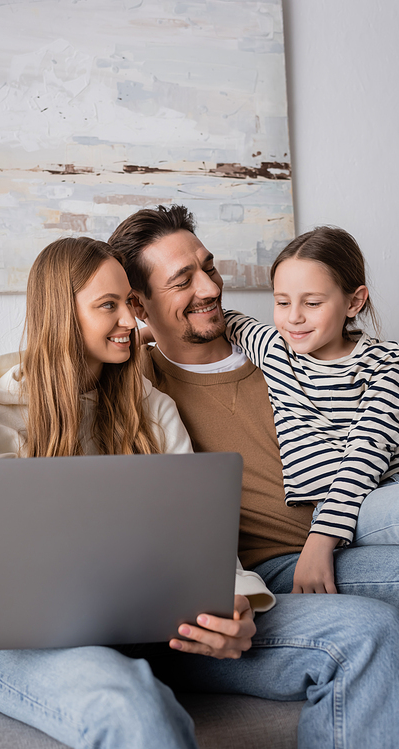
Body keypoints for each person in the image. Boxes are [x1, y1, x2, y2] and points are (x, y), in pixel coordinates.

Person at [0, 236, 399, 748]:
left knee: (372, 632)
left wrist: (236, 605)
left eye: (129, 303)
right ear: (61, 315)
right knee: (131, 706)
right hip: (23, 642)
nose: (130, 320)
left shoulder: (151, 406)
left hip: (153, 623)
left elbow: (196, 535)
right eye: (108, 306)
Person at [107, 205, 399, 607]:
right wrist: (132, 337)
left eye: (208, 268)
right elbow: (52, 375)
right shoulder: (137, 385)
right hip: (283, 564)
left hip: (362, 518)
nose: (210, 289)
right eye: (182, 282)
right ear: (139, 307)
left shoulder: (286, 348)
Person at [223, 226, 399, 594]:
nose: (293, 318)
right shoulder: (273, 348)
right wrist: (146, 332)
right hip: (339, 512)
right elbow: (223, 320)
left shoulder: (387, 363)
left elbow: (367, 453)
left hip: (375, 494)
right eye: (282, 302)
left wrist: (318, 541)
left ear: (354, 302)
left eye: (312, 303)